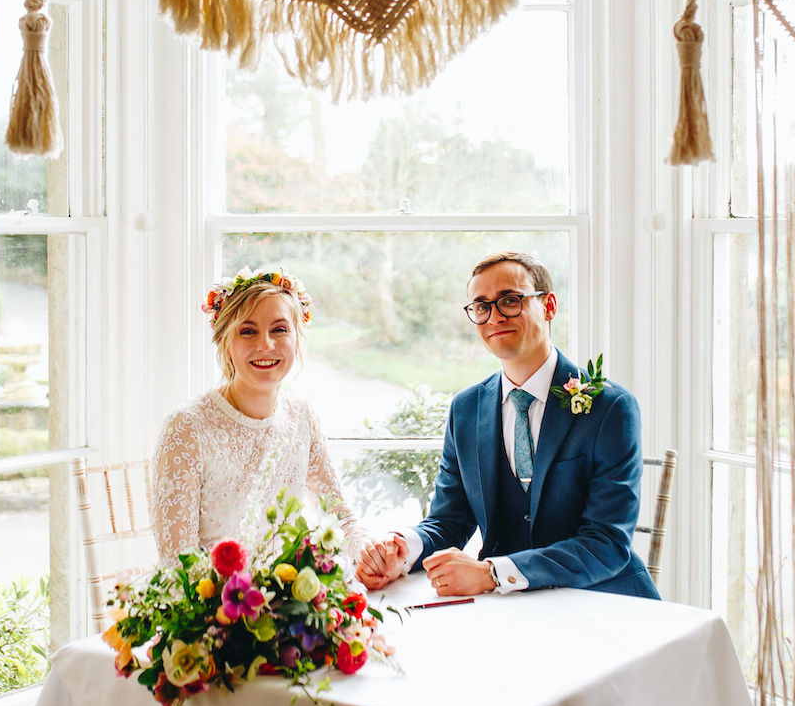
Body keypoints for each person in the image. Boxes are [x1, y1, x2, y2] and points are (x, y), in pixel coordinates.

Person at [355, 251, 658, 598]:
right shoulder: (466, 409)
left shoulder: (610, 408)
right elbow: (449, 519)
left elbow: (607, 543)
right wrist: (403, 550)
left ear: (549, 307)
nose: (494, 316)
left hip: (604, 601)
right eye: (481, 306)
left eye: (510, 301)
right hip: (508, 611)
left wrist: (493, 574)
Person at [151, 267, 364, 560]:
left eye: (279, 329)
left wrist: (370, 554)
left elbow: (339, 515)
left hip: (292, 598)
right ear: (226, 342)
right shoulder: (187, 427)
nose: (266, 345)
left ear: (297, 338)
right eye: (248, 331)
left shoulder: (302, 416)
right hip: (214, 602)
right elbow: (177, 564)